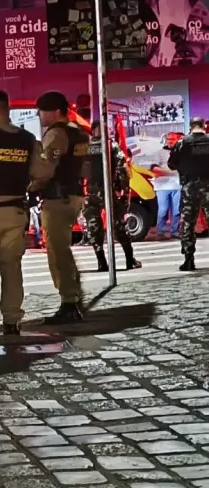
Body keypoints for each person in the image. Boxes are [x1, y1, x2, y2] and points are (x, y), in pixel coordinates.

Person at [0, 90, 49, 337]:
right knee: (11, 268)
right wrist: (26, 188)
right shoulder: (28, 139)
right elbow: (42, 172)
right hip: (14, 211)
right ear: (8, 108)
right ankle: (12, 321)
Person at [36, 91, 90, 324]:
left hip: (58, 198)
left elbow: (46, 167)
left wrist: (30, 186)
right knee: (63, 250)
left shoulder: (56, 134)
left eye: (42, 111)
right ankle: (74, 296)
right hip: (74, 195)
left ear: (55, 111)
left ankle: (69, 303)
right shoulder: (78, 133)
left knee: (58, 252)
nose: (39, 115)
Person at [82, 120, 141, 272]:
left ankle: (101, 262)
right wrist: (123, 191)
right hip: (108, 190)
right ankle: (130, 260)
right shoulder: (111, 146)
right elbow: (122, 169)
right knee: (119, 225)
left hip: (90, 191)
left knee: (93, 227)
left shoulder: (85, 147)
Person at [169, 117, 209, 271]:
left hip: (189, 187)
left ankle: (189, 260)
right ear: (204, 126)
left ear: (190, 126)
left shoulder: (182, 143)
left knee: (188, 224)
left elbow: (171, 164)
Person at [154, 137, 182, 239]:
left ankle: (175, 231)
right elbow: (154, 168)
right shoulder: (160, 153)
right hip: (162, 186)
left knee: (177, 210)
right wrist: (170, 173)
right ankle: (160, 232)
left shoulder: (181, 153)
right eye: (169, 139)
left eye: (173, 139)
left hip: (177, 185)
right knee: (163, 210)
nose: (171, 141)